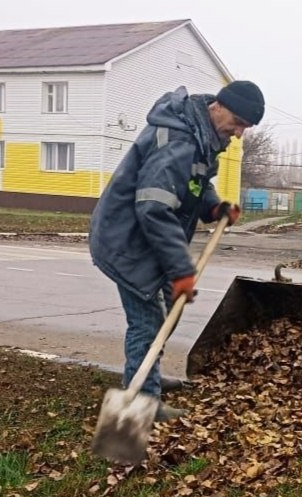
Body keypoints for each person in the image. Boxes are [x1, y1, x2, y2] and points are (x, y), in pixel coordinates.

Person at [89, 80, 265, 420]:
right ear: (219, 107)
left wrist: (213, 208)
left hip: (145, 240)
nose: (240, 133)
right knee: (147, 321)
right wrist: (181, 270)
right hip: (127, 242)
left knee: (169, 309)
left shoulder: (199, 135)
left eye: (246, 127)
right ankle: (144, 402)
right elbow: (154, 209)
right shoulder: (178, 140)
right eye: (239, 123)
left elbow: (194, 183)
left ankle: (148, 375)